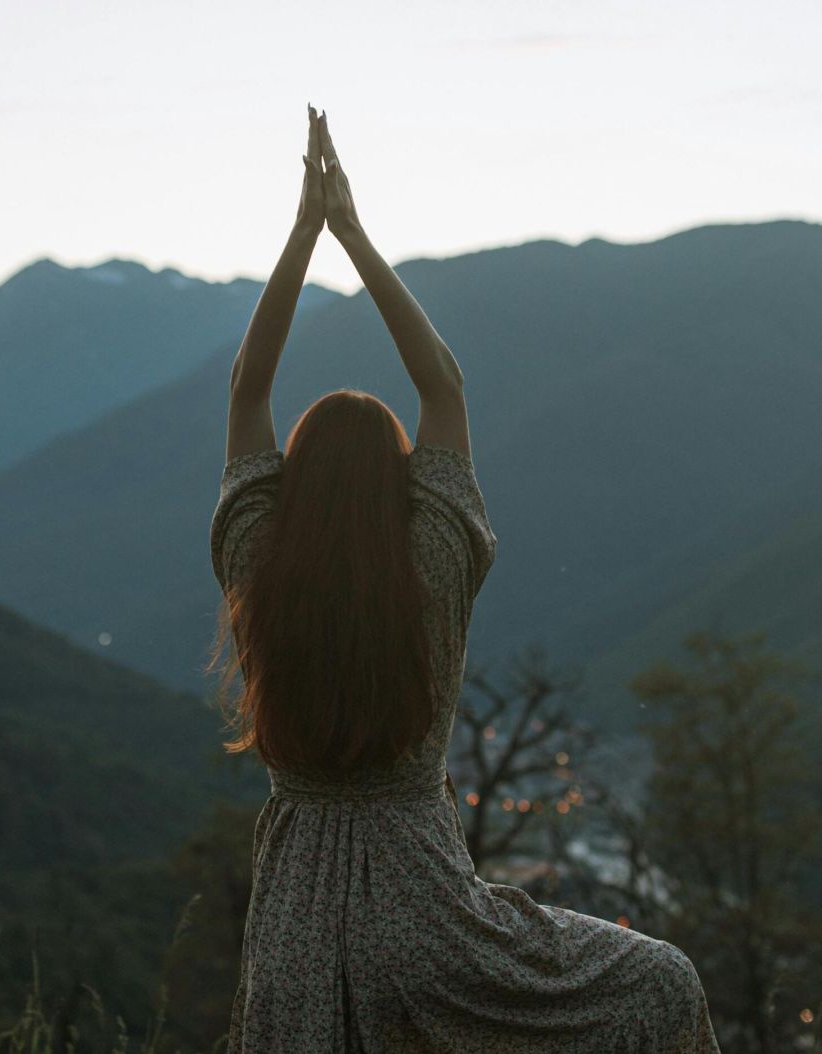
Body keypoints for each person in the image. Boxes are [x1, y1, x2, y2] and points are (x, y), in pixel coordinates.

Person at [206, 104, 719, 1053]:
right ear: (401, 486)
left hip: (294, 940)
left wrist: (302, 232)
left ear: (295, 490)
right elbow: (443, 385)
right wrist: (354, 233)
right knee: (662, 983)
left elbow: (247, 386)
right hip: (427, 920)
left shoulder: (259, 570)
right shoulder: (433, 562)